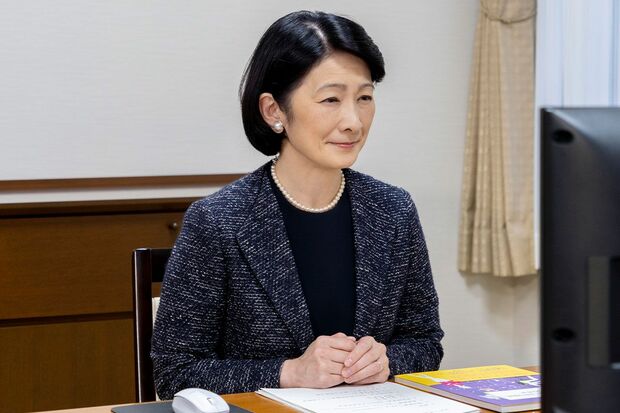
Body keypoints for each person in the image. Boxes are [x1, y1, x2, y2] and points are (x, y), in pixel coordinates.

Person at [151, 10, 444, 398]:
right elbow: (174, 372)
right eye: (331, 99)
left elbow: (425, 341)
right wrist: (289, 371)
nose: (354, 121)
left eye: (364, 98)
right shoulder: (218, 220)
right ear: (273, 110)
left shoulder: (393, 210)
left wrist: (387, 360)